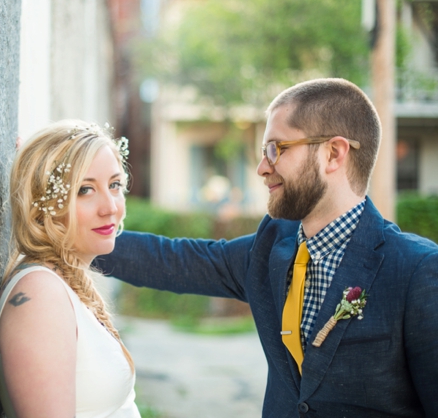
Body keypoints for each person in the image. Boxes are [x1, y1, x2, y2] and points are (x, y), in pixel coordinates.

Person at [96, 78, 438, 417]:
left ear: (334, 153)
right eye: (264, 152)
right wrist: (78, 240)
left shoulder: (416, 270)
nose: (262, 168)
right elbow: (175, 260)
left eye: (278, 148)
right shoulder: (270, 248)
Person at [0, 120, 141, 418]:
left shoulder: (61, 282)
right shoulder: (39, 295)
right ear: (42, 203)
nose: (110, 206)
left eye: (114, 185)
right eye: (85, 189)